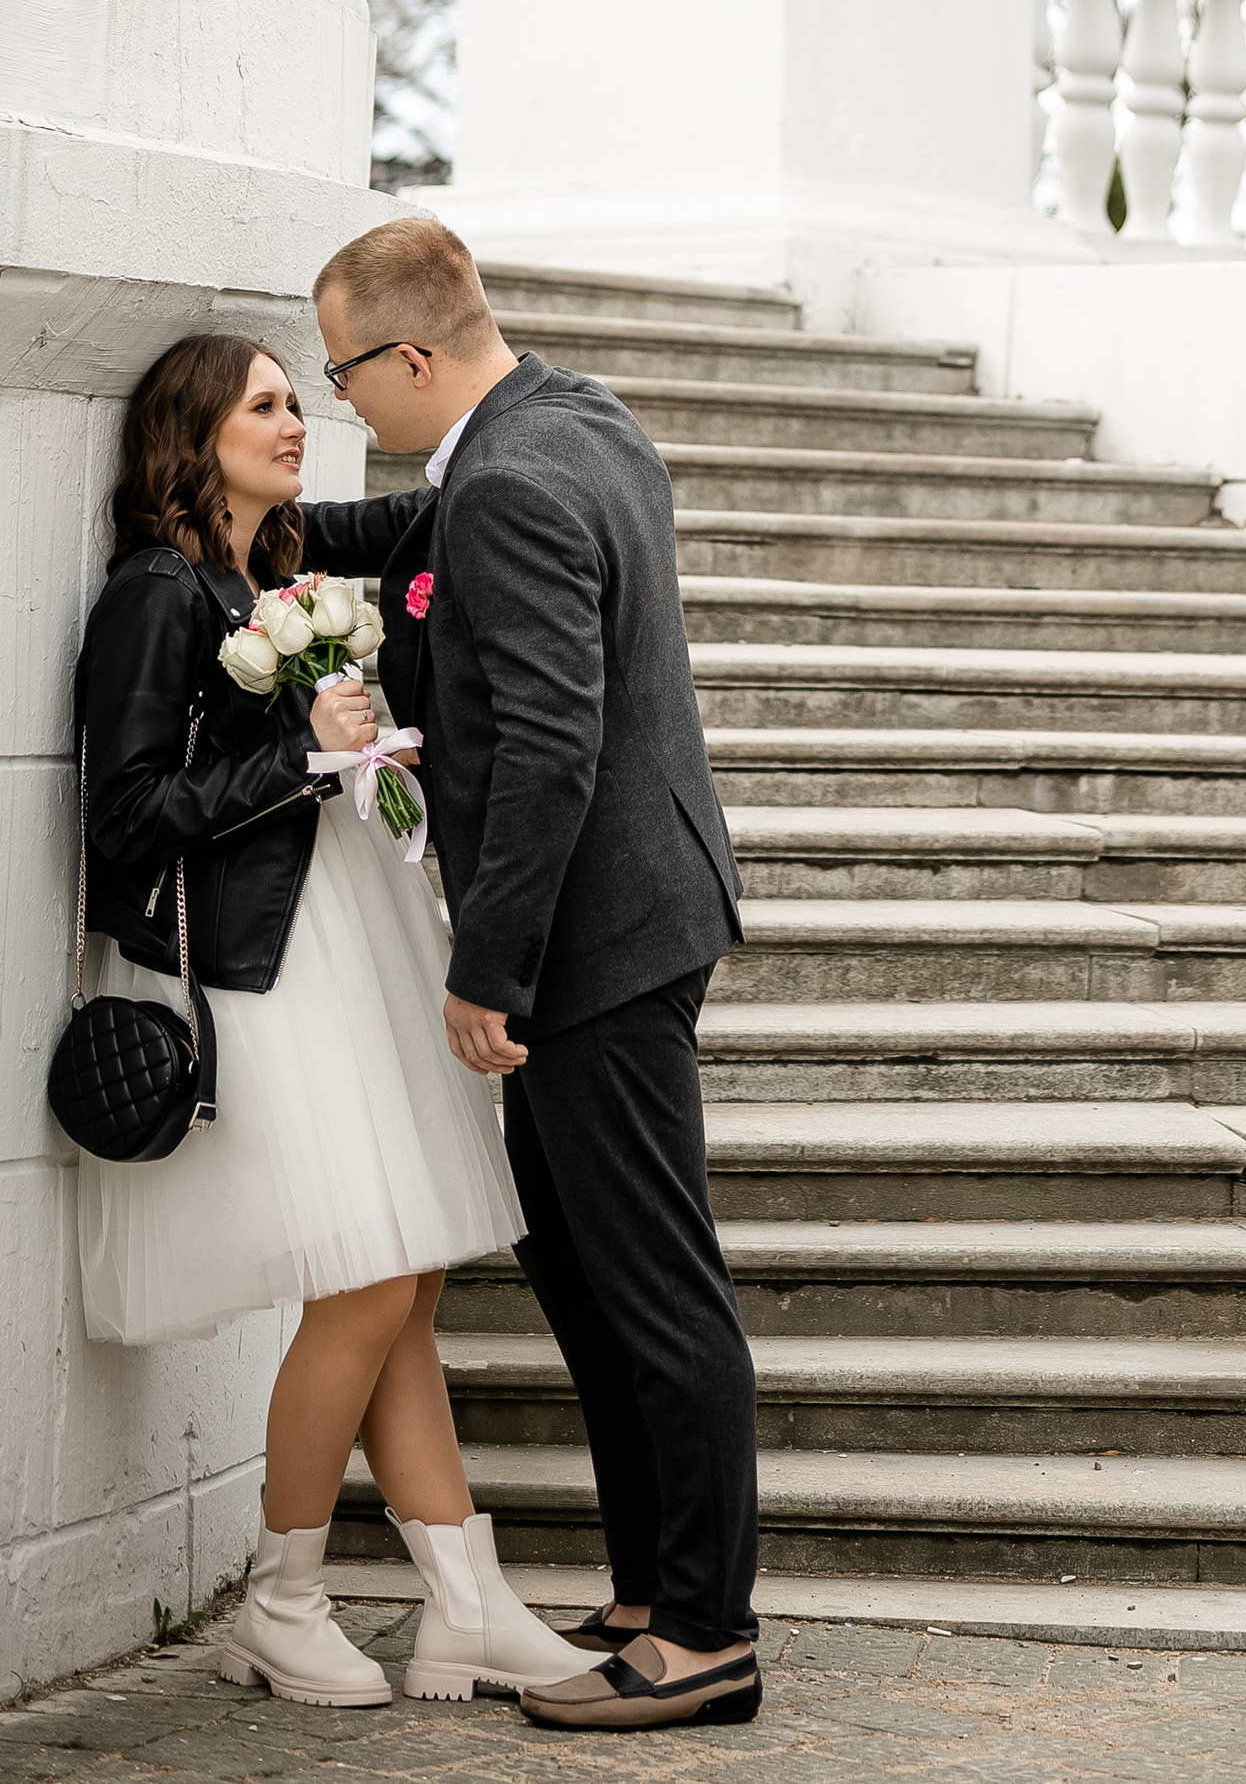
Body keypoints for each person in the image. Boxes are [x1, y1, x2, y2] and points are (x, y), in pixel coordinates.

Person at [72, 331, 593, 1711]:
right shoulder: (156, 592)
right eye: (265, 403)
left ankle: (466, 1606)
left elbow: (426, 525)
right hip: (261, 977)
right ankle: (283, 1599)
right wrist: (301, 757)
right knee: (368, 1280)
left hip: (336, 939)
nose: (297, 419)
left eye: (301, 396)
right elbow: (121, 816)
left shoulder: (276, 575)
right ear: (194, 433)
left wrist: (359, 746)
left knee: (405, 1273)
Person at [312, 215, 760, 1737]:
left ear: (415, 355)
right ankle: (647, 1592)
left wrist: (484, 971)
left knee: (652, 1288)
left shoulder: (504, 482)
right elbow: (423, 543)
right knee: (580, 1272)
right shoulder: (572, 416)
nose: (342, 407)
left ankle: (707, 1631)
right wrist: (259, 534)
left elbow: (555, 746)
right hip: (647, 908)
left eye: (345, 376)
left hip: (593, 942)